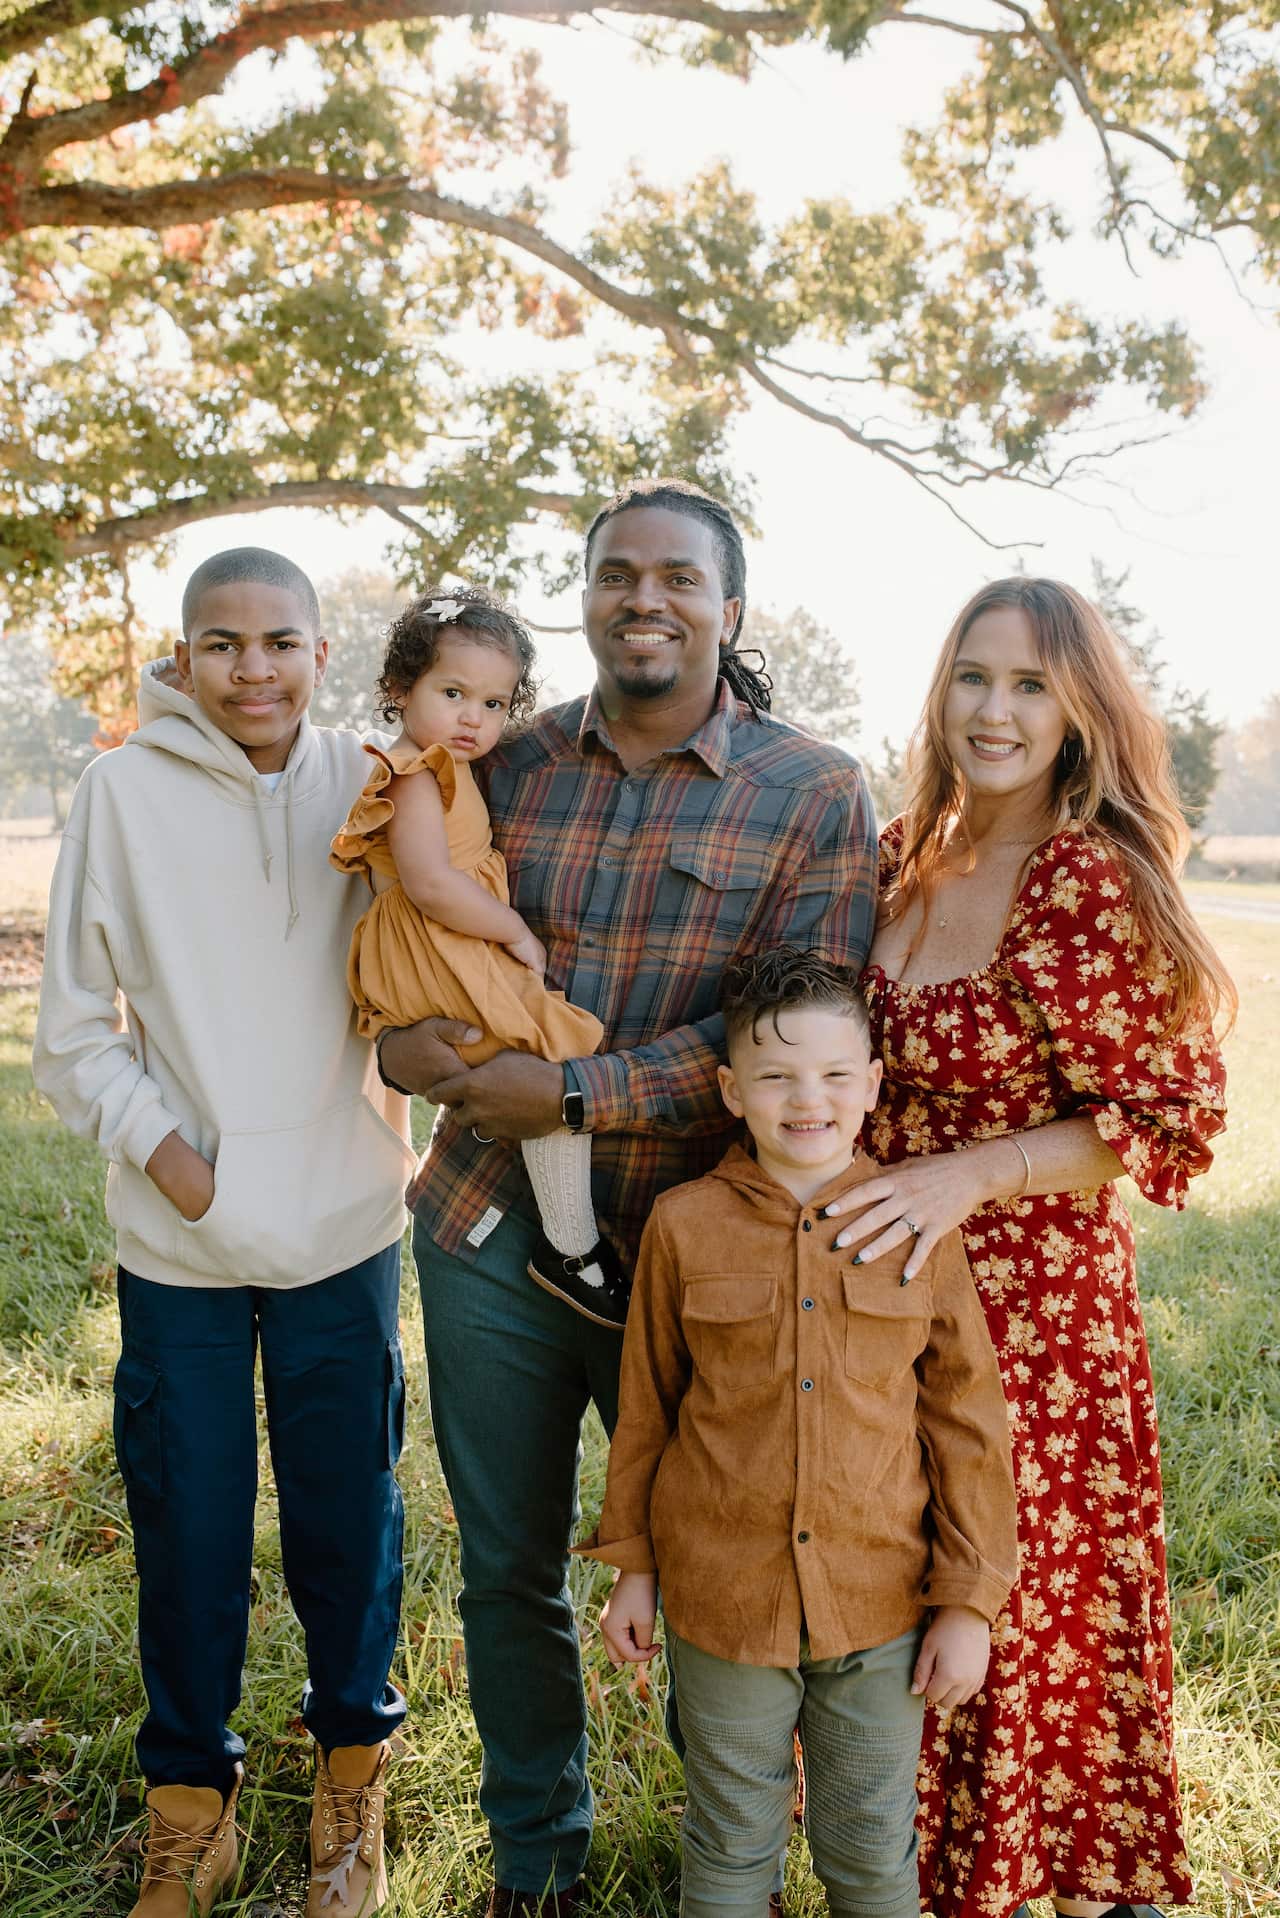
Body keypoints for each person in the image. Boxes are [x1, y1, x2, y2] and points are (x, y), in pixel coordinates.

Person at [376, 479, 879, 1914]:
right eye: (614, 575)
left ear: (732, 609)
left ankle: (730, 1869)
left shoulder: (812, 789)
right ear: (583, 596)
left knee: (720, 1574)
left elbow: (798, 1025)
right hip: (488, 1227)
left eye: (677, 577)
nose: (643, 599)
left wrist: (582, 1094)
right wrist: (410, 1042)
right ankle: (538, 1858)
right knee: (508, 1562)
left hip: (701, 1250)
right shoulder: (504, 765)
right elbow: (418, 937)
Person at [823, 578, 1231, 1918]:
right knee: (899, 1601)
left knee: (1018, 1617)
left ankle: (1042, 1889)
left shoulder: (1085, 873)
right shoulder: (899, 851)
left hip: (1035, 1322)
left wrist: (971, 1172)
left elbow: (1162, 1120)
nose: (996, 710)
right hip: (888, 1306)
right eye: (974, 677)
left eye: (1031, 684)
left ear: (1079, 710)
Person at [33, 548, 416, 1918]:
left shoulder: (377, 784)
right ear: (180, 655)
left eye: (280, 640)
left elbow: (429, 968)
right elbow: (72, 1033)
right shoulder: (123, 791)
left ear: (322, 649)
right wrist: (179, 1162)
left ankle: (348, 1783)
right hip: (180, 1242)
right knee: (186, 1520)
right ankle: (191, 1804)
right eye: (222, 642)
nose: (252, 667)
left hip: (346, 1224)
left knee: (345, 1522)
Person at [577, 946, 1019, 1918]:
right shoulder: (681, 1225)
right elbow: (646, 1408)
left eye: (829, 1075)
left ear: (869, 1084)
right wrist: (635, 1566)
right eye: (774, 1076)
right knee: (730, 1849)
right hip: (723, 1602)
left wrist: (968, 1602)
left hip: (881, 1606)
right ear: (732, 1090)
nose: (803, 1099)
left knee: (868, 1856)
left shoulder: (915, 1227)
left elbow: (967, 1427)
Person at [330, 586, 624, 1323]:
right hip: (444, 941)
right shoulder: (414, 773)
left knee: (540, 1065)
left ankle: (567, 1236)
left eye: (494, 704)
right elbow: (430, 883)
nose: (473, 717)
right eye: (453, 692)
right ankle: (571, 1245)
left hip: (450, 939)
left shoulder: (445, 765)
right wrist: (510, 929)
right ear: (401, 689)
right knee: (544, 1058)